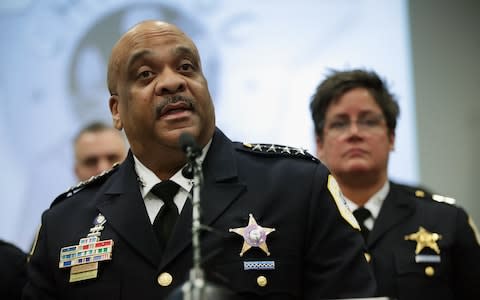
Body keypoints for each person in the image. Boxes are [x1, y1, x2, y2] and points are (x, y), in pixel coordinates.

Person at [23, 21, 376, 300]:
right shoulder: (65, 224)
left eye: (186, 67)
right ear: (116, 110)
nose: (172, 82)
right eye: (145, 74)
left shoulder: (298, 187)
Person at [309, 68, 480, 299]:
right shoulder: (300, 224)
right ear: (319, 143)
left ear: (391, 137)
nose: (355, 133)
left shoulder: (448, 221)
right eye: (339, 124)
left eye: (368, 122)